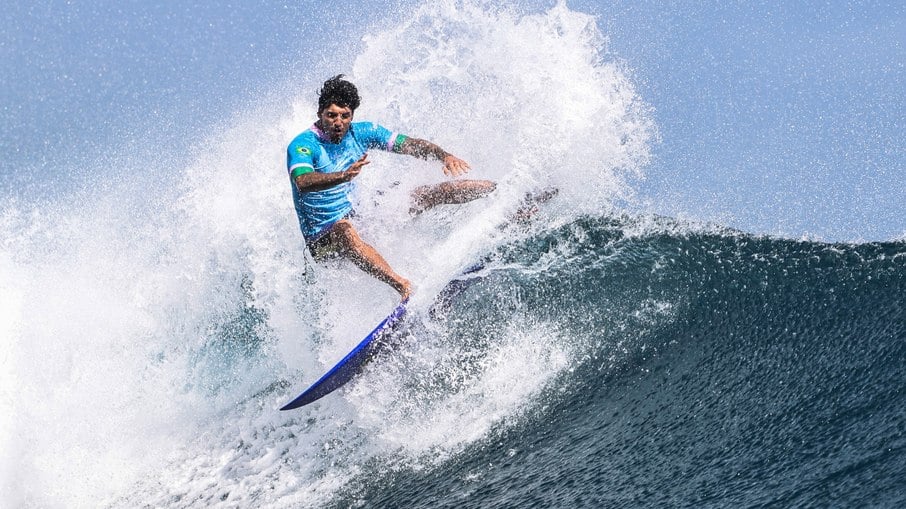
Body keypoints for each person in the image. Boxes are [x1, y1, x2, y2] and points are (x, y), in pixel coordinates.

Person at [287, 75, 495, 301]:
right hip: (322, 241)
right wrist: (343, 176)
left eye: (345, 116)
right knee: (343, 229)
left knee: (421, 195)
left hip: (356, 219)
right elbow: (303, 181)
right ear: (320, 113)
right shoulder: (303, 145)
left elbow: (411, 145)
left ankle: (502, 191)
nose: (338, 122)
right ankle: (404, 287)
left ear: (352, 115)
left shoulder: (363, 132)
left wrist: (444, 156)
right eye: (332, 115)